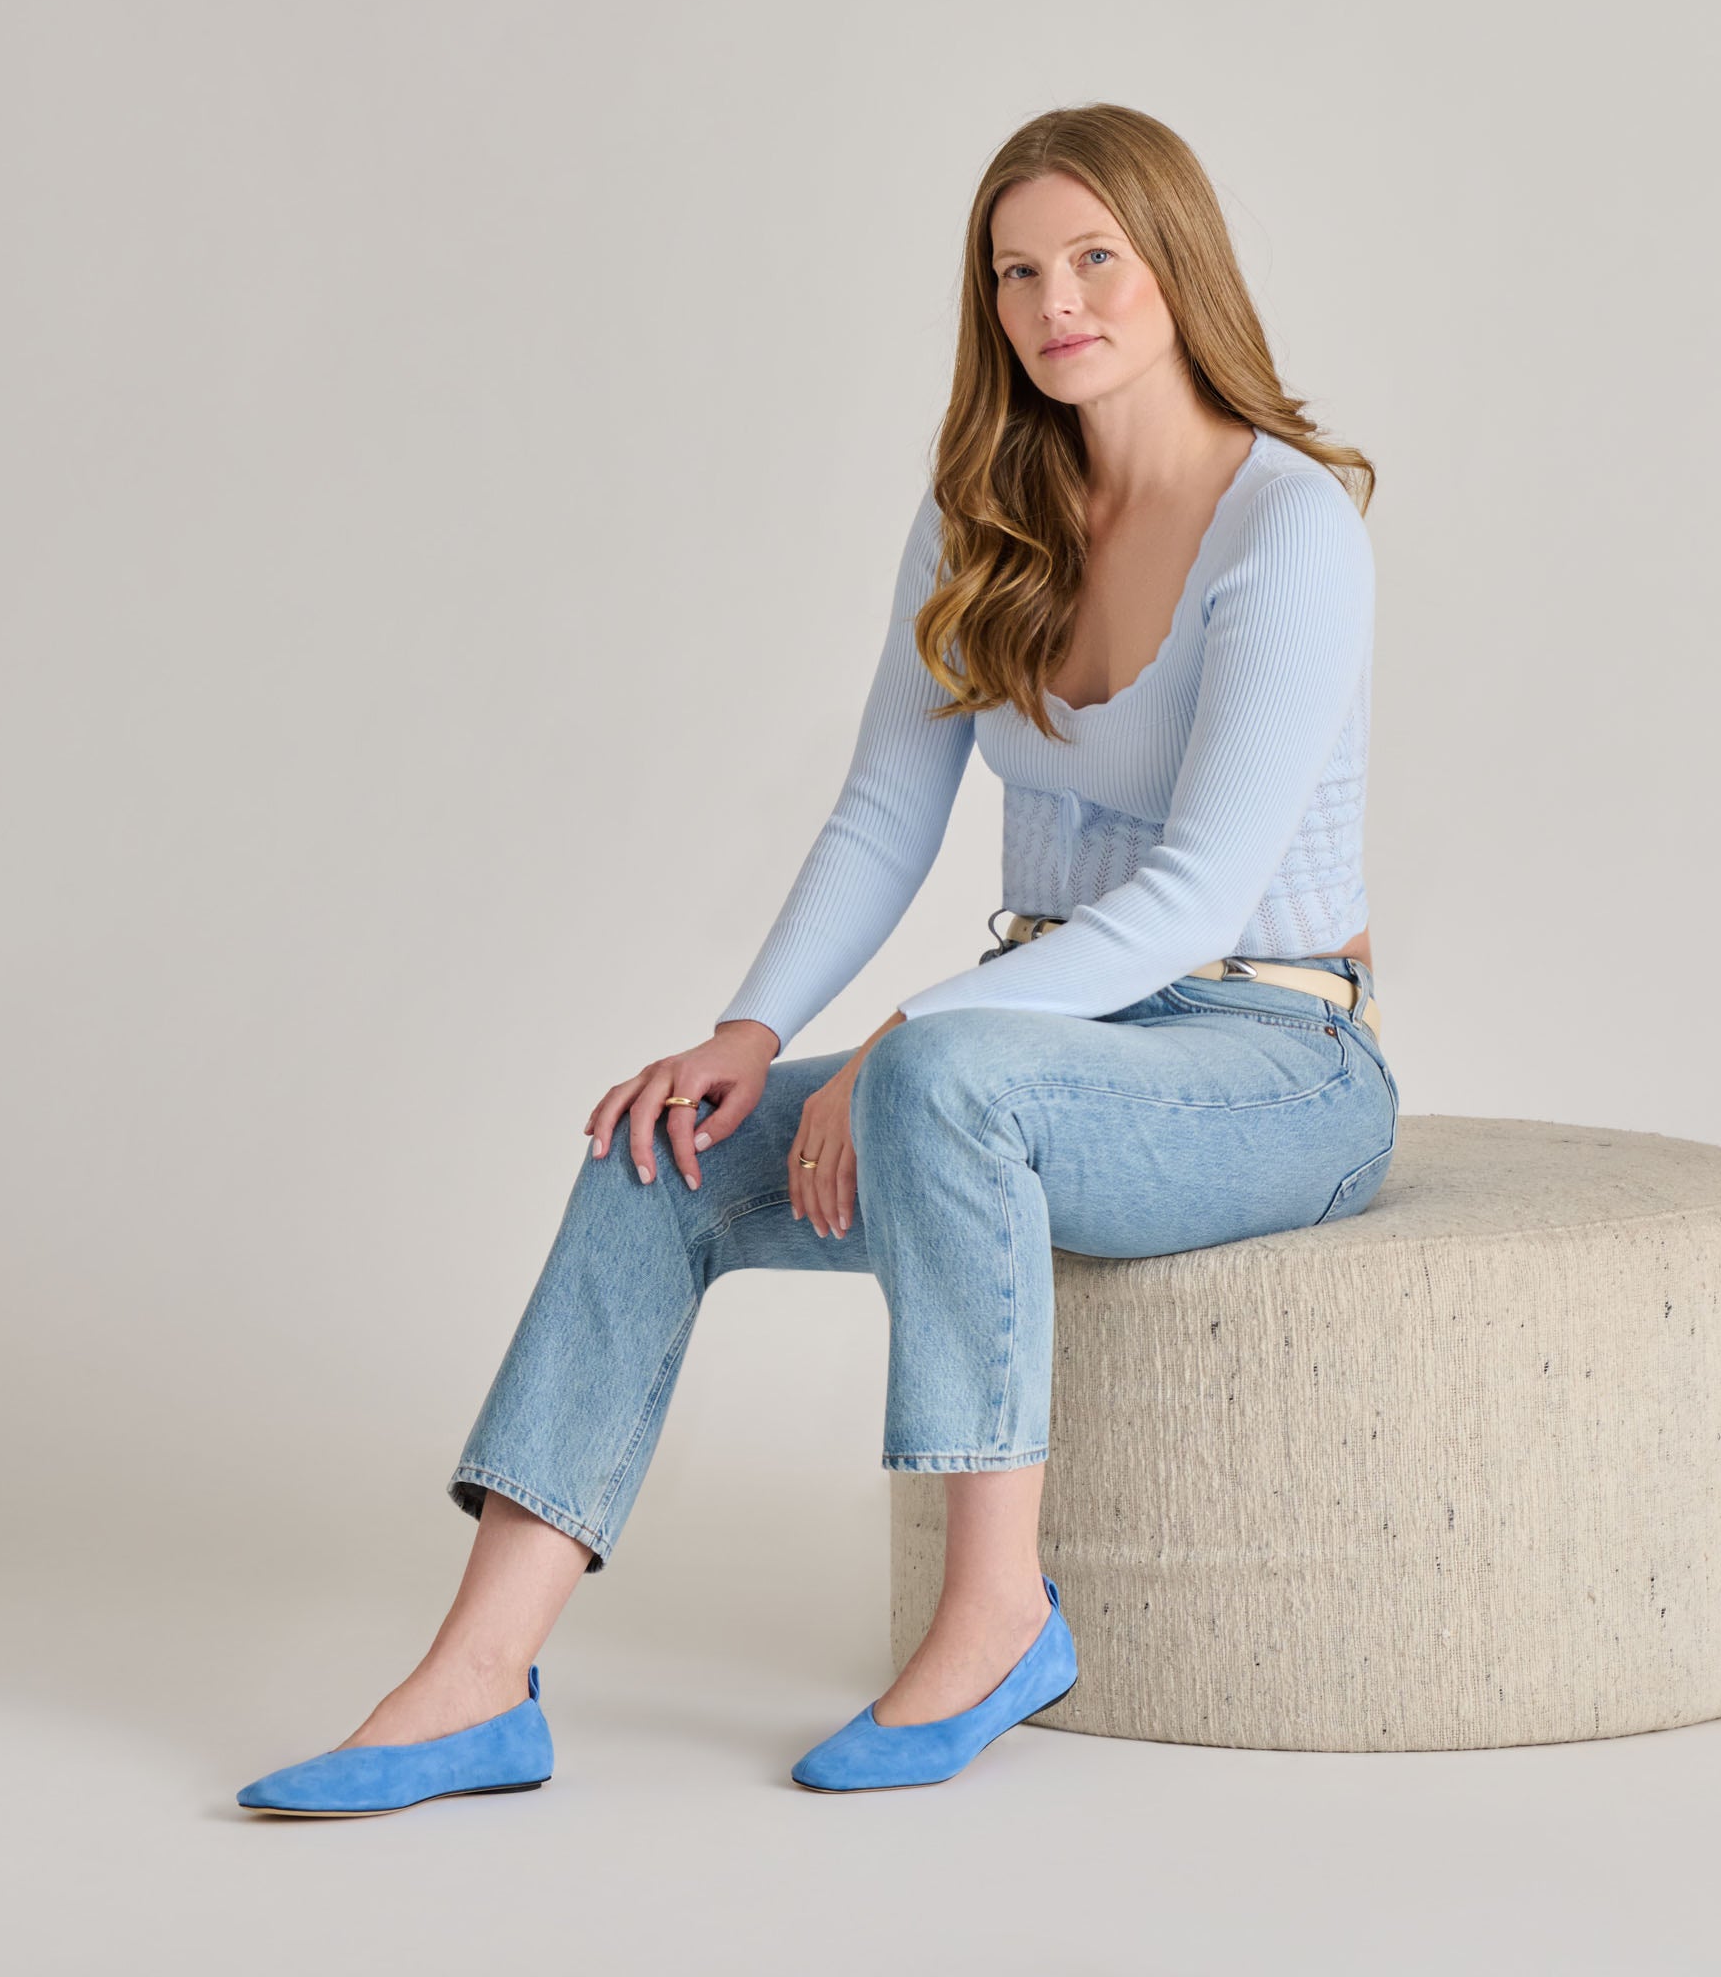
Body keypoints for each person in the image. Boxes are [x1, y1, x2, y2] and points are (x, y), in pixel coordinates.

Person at [235, 100, 1399, 1816]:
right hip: (1035, 1043)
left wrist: (910, 1035)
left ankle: (996, 1618)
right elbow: (883, 813)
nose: (1056, 303)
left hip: (1274, 1060)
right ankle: (477, 1681)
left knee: (944, 1076)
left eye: (1095, 258)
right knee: (658, 1156)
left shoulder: (1291, 528)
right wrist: (749, 1030)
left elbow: (1199, 898)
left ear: (1179, 265)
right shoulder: (985, 514)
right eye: (1016, 273)